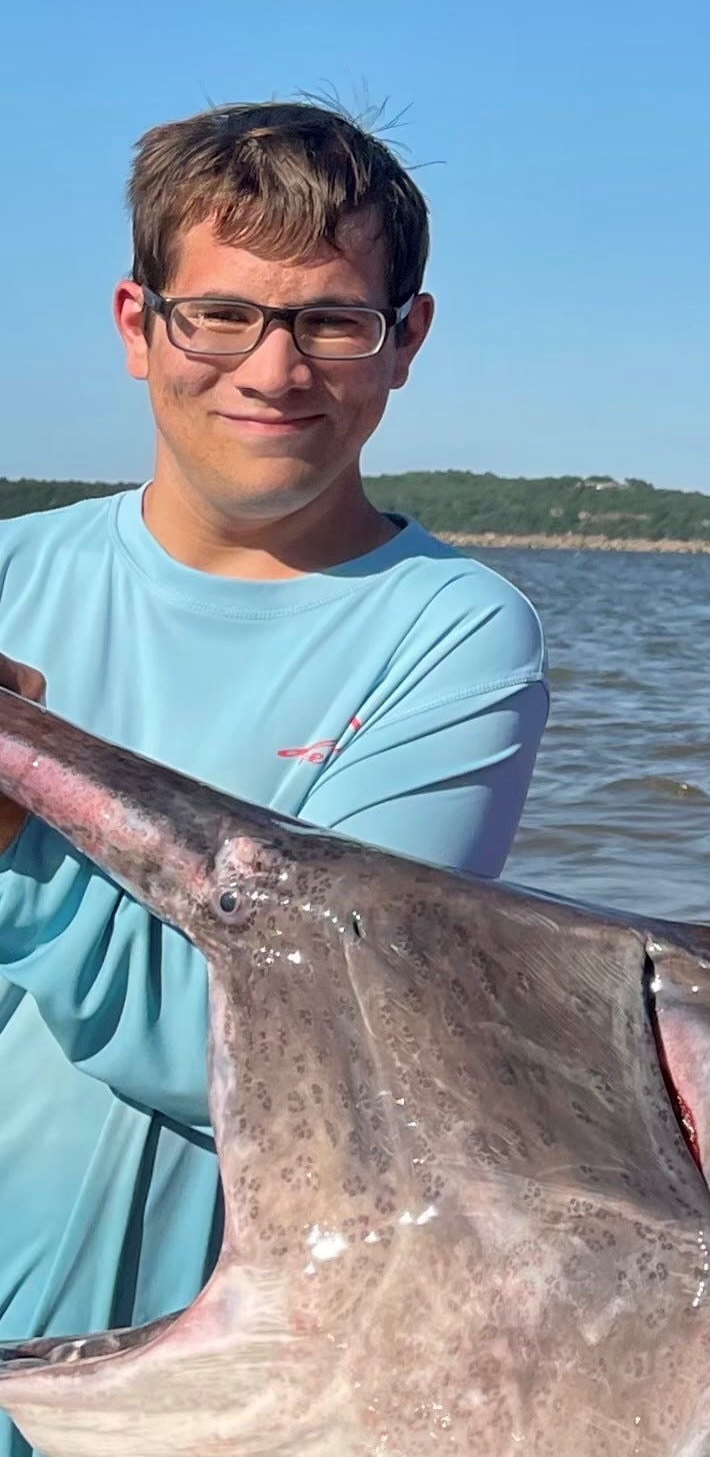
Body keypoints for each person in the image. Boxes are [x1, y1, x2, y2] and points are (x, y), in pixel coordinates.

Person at [0, 102, 548, 1457]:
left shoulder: (456, 637)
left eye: (330, 320)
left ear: (405, 342)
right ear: (138, 325)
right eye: (222, 316)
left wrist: (14, 841)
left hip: (223, 1389)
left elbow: (315, 1058)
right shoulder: (13, 580)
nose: (274, 367)